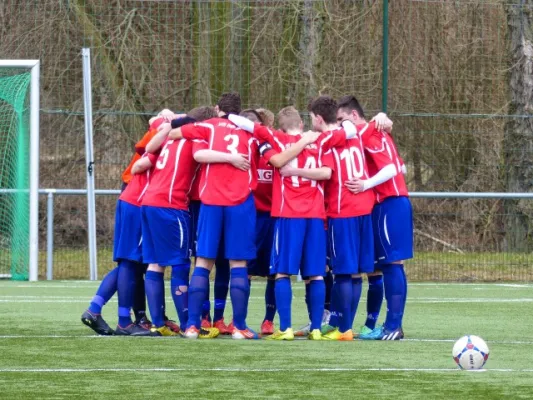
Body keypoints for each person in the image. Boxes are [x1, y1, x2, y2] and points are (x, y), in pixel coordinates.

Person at [229, 106, 356, 340]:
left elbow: (244, 123)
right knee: (316, 274)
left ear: (280, 126)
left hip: (288, 215)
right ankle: (317, 329)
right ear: (301, 124)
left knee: (282, 273)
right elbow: (347, 133)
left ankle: (286, 328)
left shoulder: (275, 137)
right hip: (316, 217)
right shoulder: (320, 140)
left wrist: (225, 115)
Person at [141, 106, 244, 337]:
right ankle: (190, 323)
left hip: (148, 202)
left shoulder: (168, 133)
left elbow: (151, 133)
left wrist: (170, 117)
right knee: (180, 264)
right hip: (171, 204)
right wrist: (232, 158)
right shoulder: (196, 136)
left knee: (155, 263)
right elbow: (201, 155)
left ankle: (159, 324)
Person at [337, 95, 412, 341]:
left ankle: (393, 326)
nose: (339, 125)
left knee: (392, 264)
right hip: (390, 203)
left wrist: (366, 184)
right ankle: (388, 325)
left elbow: (391, 168)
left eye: (341, 119)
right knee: (387, 265)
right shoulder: (378, 132)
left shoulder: (369, 134)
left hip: (389, 203)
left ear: (354, 116)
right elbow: (402, 167)